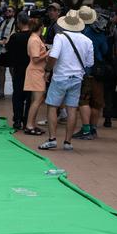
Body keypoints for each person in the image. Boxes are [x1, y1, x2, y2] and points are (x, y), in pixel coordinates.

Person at [38, 10, 94, 151]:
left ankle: (52, 139)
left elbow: (54, 56)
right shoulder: (87, 41)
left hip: (60, 77)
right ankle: (68, 142)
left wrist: (48, 70)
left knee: (52, 107)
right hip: (77, 78)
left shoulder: (60, 37)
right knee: (72, 109)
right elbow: (89, 63)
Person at [73, 6, 108, 140]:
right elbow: (105, 50)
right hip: (99, 71)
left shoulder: (81, 32)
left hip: (85, 71)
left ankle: (86, 129)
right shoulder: (99, 32)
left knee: (84, 101)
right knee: (96, 102)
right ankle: (93, 129)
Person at [6, 12, 31, 130]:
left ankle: (17, 119)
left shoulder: (15, 36)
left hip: (18, 69)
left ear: (19, 22)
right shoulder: (33, 36)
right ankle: (27, 120)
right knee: (29, 96)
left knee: (17, 96)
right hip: (31, 69)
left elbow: (8, 50)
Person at [23, 18, 48, 135]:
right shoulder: (34, 40)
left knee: (36, 100)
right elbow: (35, 58)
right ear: (41, 27)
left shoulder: (35, 39)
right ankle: (29, 125)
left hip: (37, 71)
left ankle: (32, 124)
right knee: (37, 100)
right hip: (35, 71)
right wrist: (48, 53)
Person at [0, 6, 16, 98]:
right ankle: (1, 92)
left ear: (13, 13)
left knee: (12, 70)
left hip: (11, 49)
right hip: (1, 49)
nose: (8, 12)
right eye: (7, 11)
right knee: (1, 69)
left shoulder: (15, 23)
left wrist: (6, 41)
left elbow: (14, 35)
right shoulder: (1, 23)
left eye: (10, 11)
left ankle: (16, 91)